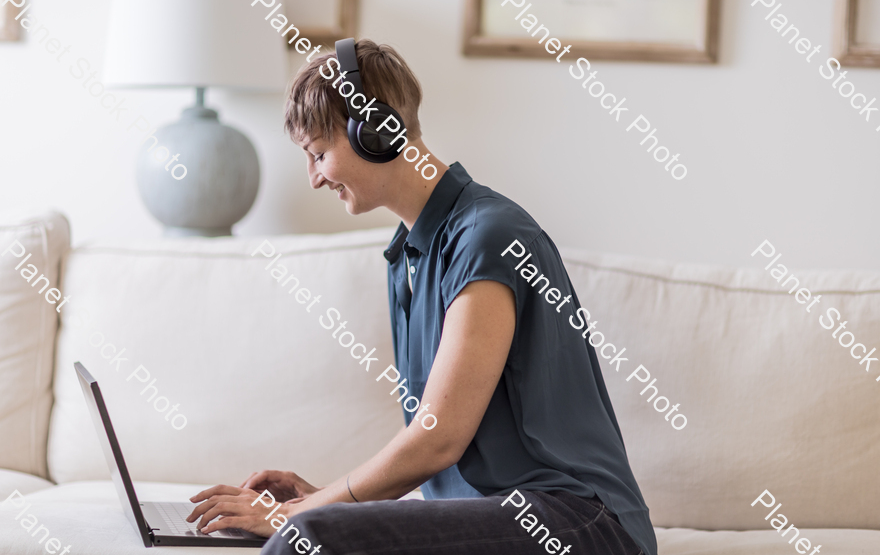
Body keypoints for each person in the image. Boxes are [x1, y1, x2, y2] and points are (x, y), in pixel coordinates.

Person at [186, 39, 657, 555]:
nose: (315, 177)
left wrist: (304, 513)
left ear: (377, 132)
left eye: (319, 154)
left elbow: (438, 438)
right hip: (496, 517)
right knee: (309, 530)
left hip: (579, 524)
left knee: (305, 536)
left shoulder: (488, 236)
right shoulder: (409, 255)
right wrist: (321, 497)